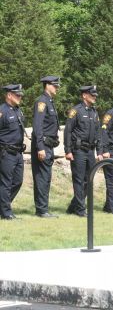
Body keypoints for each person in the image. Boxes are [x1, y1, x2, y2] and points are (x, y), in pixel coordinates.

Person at [64, 85, 103, 217]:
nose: (95, 97)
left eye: (95, 95)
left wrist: (100, 151)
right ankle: (80, 209)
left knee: (89, 180)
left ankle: (73, 206)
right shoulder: (76, 111)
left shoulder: (94, 112)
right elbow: (68, 131)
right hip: (78, 150)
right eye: (92, 95)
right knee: (79, 180)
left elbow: (98, 133)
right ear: (84, 95)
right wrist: (68, 150)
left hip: (90, 151)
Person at [31, 76, 60, 218]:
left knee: (46, 178)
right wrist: (40, 147)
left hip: (49, 145)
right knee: (42, 178)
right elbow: (37, 127)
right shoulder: (42, 102)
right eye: (55, 85)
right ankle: (41, 210)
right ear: (47, 85)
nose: (57, 88)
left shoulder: (50, 102)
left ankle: (44, 209)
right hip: (43, 146)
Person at [0, 84, 25, 220]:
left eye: (20, 95)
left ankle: (3, 206)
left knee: (18, 181)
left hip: (18, 153)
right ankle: (6, 212)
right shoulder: (2, 111)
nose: (20, 97)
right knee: (6, 182)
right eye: (17, 95)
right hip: (6, 152)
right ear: (9, 95)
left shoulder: (17, 111)